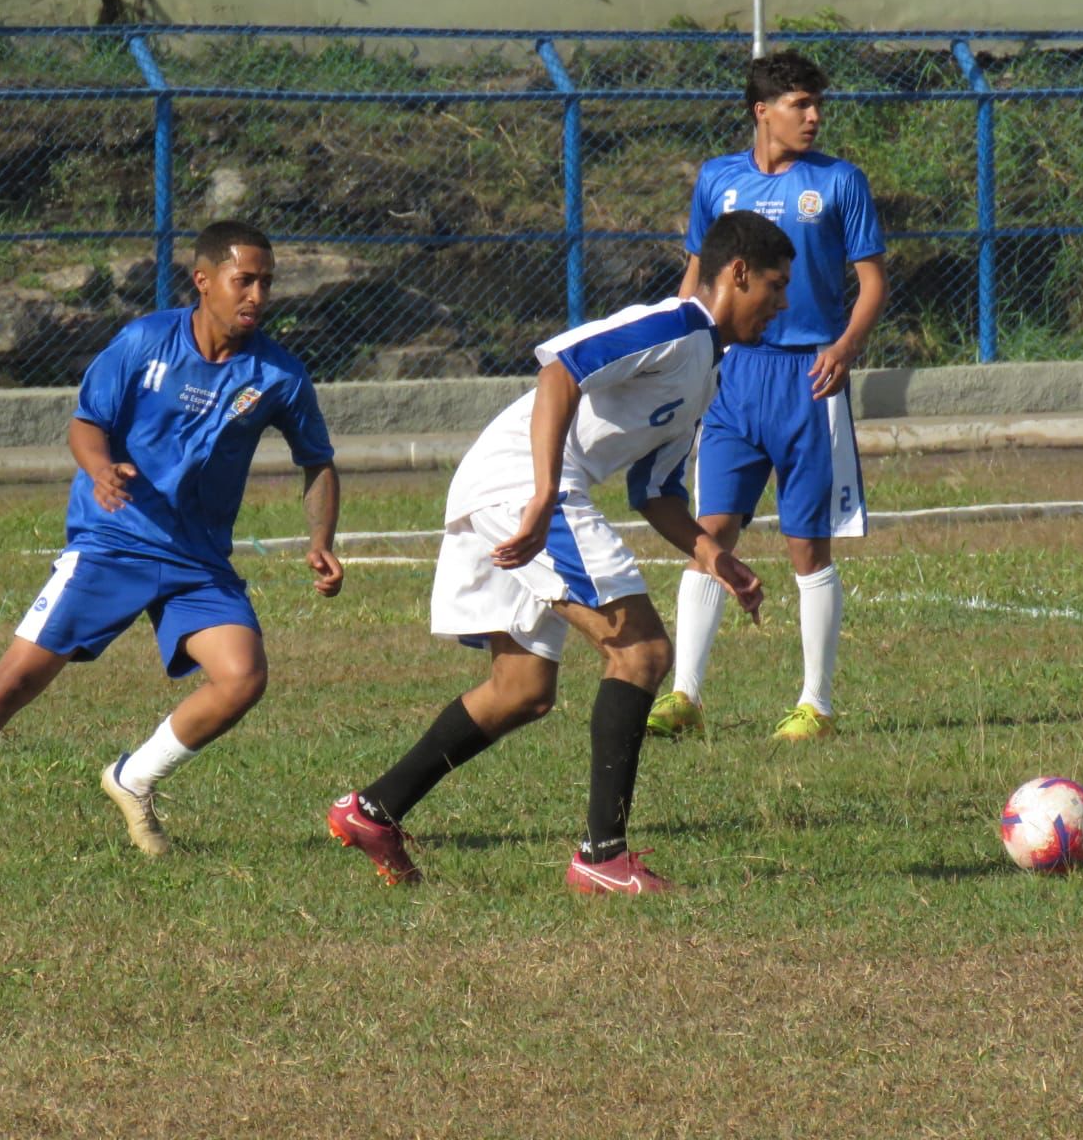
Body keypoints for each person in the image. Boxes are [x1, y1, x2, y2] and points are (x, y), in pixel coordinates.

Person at [327, 210, 793, 895]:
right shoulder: (674, 325)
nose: (780, 306)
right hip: (521, 481)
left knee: (521, 692)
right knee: (640, 653)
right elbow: (560, 373)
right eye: (775, 288)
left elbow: (653, 489)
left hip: (515, 485)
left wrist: (711, 554)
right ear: (737, 273)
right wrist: (544, 492)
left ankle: (372, 811)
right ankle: (601, 857)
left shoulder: (705, 368)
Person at [0, 220, 344, 857]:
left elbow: (318, 460)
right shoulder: (144, 341)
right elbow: (86, 424)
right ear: (204, 281)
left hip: (197, 559)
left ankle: (133, 779)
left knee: (242, 678)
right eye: (243, 279)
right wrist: (100, 468)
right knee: (15, 682)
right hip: (115, 542)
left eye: (266, 283)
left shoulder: (278, 374)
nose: (257, 295)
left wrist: (322, 540)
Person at [648, 49, 888, 743]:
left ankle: (815, 703)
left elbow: (871, 282)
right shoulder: (716, 180)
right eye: (798, 105)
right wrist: (678, 355)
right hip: (731, 380)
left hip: (808, 380)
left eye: (817, 105)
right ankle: (684, 697)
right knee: (707, 535)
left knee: (805, 548)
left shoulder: (839, 182)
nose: (813, 118)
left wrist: (842, 349)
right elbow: (693, 279)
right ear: (761, 109)